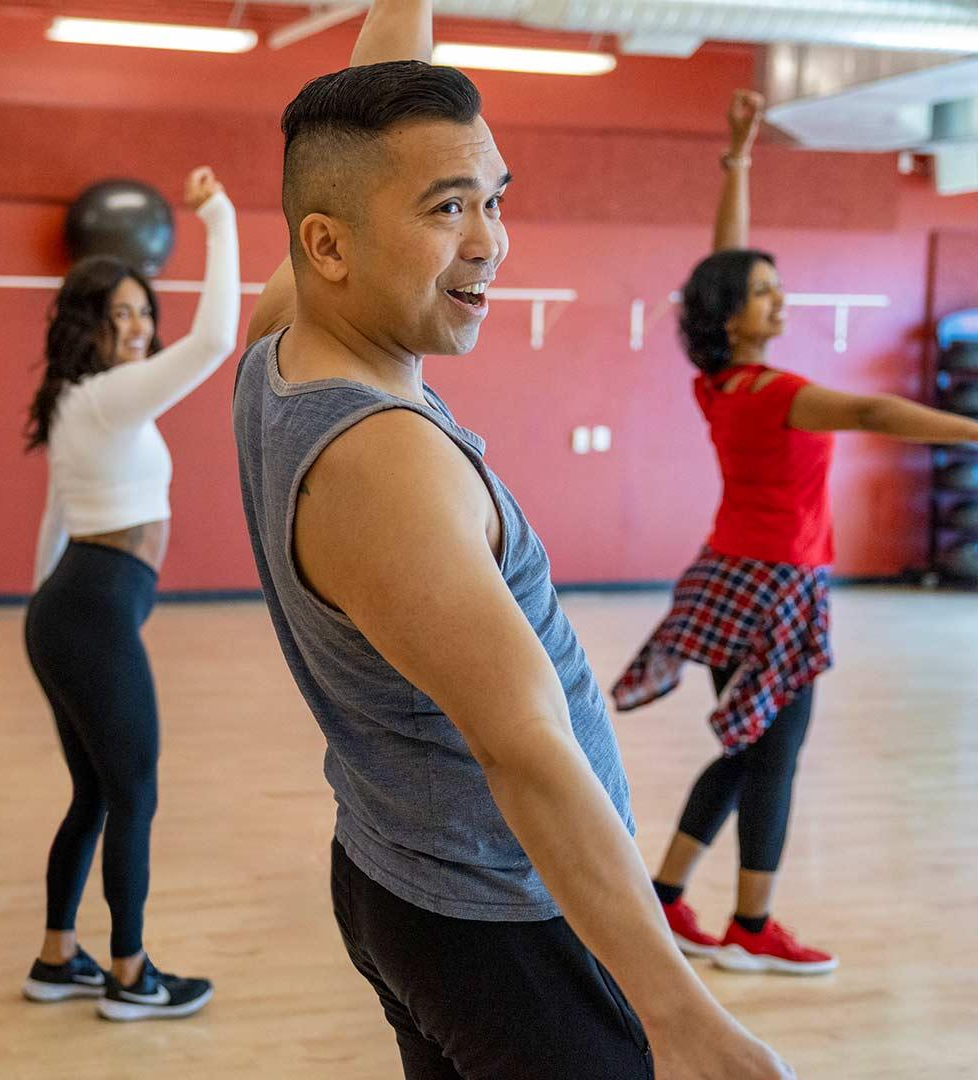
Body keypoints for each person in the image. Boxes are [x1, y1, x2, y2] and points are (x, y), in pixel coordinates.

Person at [233, 4, 794, 1077]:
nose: (489, 239)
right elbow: (526, 744)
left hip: (398, 875)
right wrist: (674, 1010)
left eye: (493, 199)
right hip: (504, 923)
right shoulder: (384, 463)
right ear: (329, 244)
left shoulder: (284, 336)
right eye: (448, 208)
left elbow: (365, 119)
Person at [613, 90, 978, 975]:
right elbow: (871, 408)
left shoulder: (718, 384)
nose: (779, 298)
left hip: (731, 577)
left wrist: (737, 161)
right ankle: (752, 927)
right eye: (765, 291)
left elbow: (722, 265)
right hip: (775, 584)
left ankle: (661, 900)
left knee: (748, 747)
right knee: (772, 755)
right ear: (734, 316)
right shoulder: (775, 394)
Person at [22, 166, 239, 1021]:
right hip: (94, 608)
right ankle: (129, 974)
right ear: (88, 327)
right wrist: (220, 217)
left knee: (97, 791)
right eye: (120, 315)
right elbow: (217, 339)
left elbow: (54, 518)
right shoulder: (109, 397)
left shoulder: (85, 402)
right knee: (135, 791)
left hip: (71, 607)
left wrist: (38, 621)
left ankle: (56, 957)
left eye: (144, 312)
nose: (140, 327)